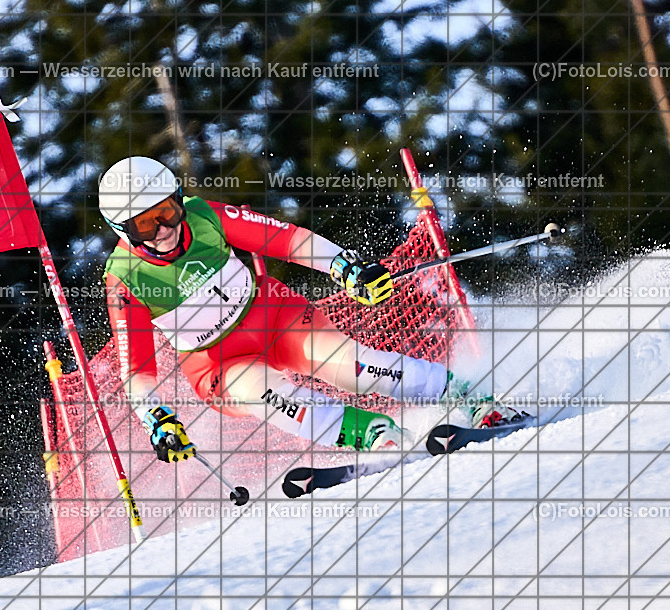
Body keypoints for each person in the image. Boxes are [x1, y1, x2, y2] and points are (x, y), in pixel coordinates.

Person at [99, 157, 522, 463]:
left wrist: (344, 268)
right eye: (144, 224)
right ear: (124, 231)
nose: (164, 229)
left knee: (355, 367)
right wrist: (157, 418)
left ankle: (471, 396)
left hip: (272, 314)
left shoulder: (202, 215)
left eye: (167, 211)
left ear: (178, 200)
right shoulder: (125, 279)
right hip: (217, 362)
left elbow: (285, 239)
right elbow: (137, 371)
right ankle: (371, 432)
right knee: (267, 395)